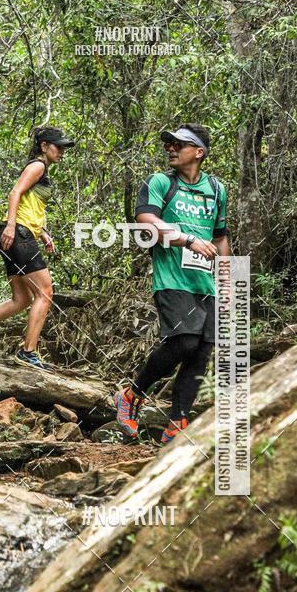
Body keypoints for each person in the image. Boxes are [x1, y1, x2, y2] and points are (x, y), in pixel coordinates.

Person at [115, 123, 231, 443]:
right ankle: (132, 396)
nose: (170, 148)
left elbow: (220, 238)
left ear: (198, 152)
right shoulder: (160, 183)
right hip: (171, 278)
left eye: (178, 144)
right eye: (169, 144)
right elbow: (146, 221)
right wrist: (187, 239)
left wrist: (227, 283)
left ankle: (177, 422)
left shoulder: (217, 190)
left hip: (205, 284)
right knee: (185, 341)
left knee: (202, 351)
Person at [0, 126, 75, 369]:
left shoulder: (42, 168)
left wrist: (41, 233)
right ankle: (28, 352)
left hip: (19, 233)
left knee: (21, 299)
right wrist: (11, 226)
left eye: (64, 147)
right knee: (45, 293)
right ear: (44, 146)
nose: (62, 151)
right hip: (17, 234)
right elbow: (15, 193)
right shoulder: (38, 166)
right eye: (58, 146)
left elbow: (29, 206)